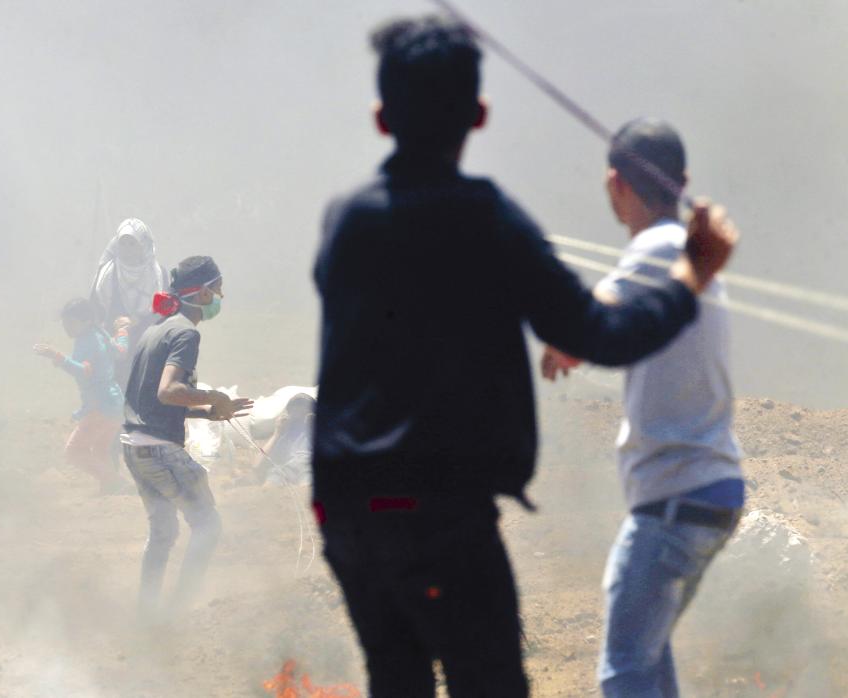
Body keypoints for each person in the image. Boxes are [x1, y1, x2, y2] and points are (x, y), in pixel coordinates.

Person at [311, 16, 739, 698]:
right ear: (479, 116)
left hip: (346, 514)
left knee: (396, 680)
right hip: (444, 517)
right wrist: (694, 275)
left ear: (381, 116)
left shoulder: (345, 219)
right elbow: (602, 333)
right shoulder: (490, 220)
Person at [541, 118, 744, 698]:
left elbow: (595, 319)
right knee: (648, 663)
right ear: (681, 182)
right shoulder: (685, 256)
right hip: (710, 491)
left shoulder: (657, 249)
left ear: (615, 183)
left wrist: (565, 337)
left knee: (625, 669)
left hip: (674, 501)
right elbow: (618, 325)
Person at [120, 255, 253, 620]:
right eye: (219, 288)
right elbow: (168, 391)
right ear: (205, 291)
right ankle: (179, 613)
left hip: (134, 446)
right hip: (160, 451)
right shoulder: (185, 332)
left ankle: (146, 613)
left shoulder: (155, 329)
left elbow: (148, 399)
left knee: (162, 533)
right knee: (208, 526)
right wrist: (215, 397)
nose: (222, 296)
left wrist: (205, 413)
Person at [33, 298, 131, 494]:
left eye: (71, 323)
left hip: (99, 407)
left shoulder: (87, 341)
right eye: (64, 324)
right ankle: (110, 486)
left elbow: (83, 371)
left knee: (74, 452)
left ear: (86, 321)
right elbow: (121, 351)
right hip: (115, 404)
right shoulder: (99, 333)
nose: (66, 328)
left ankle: (115, 481)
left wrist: (58, 357)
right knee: (100, 449)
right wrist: (122, 330)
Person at [91, 218, 169, 380]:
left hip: (147, 342)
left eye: (132, 244)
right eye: (123, 244)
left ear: (144, 245)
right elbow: (95, 309)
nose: (127, 249)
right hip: (114, 342)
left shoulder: (158, 274)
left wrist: (136, 321)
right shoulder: (108, 273)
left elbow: (164, 311)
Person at [252, 393, 315, 486]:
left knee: (306, 484)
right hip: (284, 470)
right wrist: (277, 433)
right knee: (271, 482)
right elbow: (256, 464)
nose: (300, 410)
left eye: (305, 406)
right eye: (295, 406)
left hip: (309, 467)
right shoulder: (283, 434)